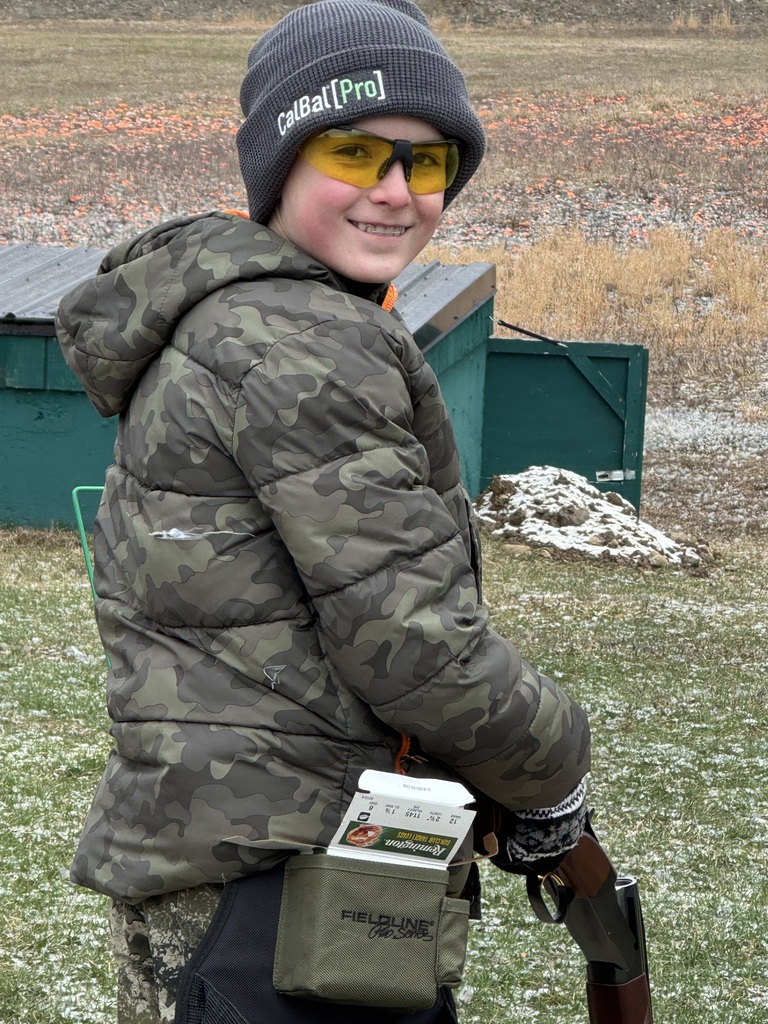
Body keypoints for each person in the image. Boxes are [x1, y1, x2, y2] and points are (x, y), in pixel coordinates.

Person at [56, 2, 591, 1023]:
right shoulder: (304, 337)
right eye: (356, 153)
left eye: (427, 164)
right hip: (285, 892)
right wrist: (554, 771)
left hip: (220, 871)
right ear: (281, 163)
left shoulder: (236, 314)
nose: (395, 192)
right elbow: (413, 642)